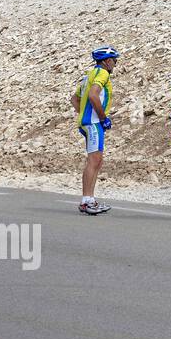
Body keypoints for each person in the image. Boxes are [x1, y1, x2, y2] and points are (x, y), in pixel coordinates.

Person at [72, 47, 118, 215]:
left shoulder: (88, 76)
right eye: (114, 60)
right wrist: (102, 117)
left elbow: (74, 99)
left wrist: (83, 113)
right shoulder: (102, 74)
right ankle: (86, 201)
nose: (115, 64)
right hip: (93, 123)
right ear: (107, 61)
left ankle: (90, 199)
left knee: (96, 160)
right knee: (94, 160)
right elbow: (93, 95)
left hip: (87, 121)